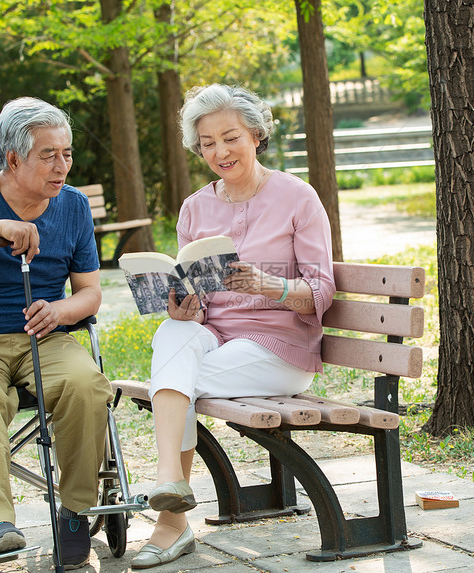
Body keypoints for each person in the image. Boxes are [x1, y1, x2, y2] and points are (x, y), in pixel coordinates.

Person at [132, 84, 336, 569]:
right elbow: (196, 303)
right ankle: (172, 487)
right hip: (215, 338)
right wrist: (183, 308)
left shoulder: (297, 197)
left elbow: (323, 290)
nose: (220, 151)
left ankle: (171, 519)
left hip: (281, 350)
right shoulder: (194, 208)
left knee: (173, 382)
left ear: (256, 136)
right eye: (207, 143)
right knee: (171, 335)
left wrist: (275, 287)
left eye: (230, 138)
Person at [0, 97, 113, 570]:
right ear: (13, 159)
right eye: (49, 155)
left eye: (67, 153)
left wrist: (62, 309)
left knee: (86, 384)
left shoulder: (71, 206)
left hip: (44, 339)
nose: (62, 165)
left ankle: (75, 512)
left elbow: (90, 293)